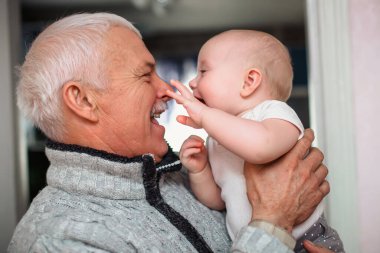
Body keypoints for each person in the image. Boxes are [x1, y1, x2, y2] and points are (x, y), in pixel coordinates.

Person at [8, 13, 330, 253]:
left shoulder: (172, 176)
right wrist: (274, 222)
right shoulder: (58, 239)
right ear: (83, 100)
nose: (166, 89)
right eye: (145, 75)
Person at [166, 30, 343, 252]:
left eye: (203, 71)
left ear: (249, 81)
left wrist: (205, 116)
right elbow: (218, 202)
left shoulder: (274, 112)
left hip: (309, 241)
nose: (193, 82)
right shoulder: (216, 138)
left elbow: (262, 147)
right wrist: (200, 171)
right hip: (254, 242)